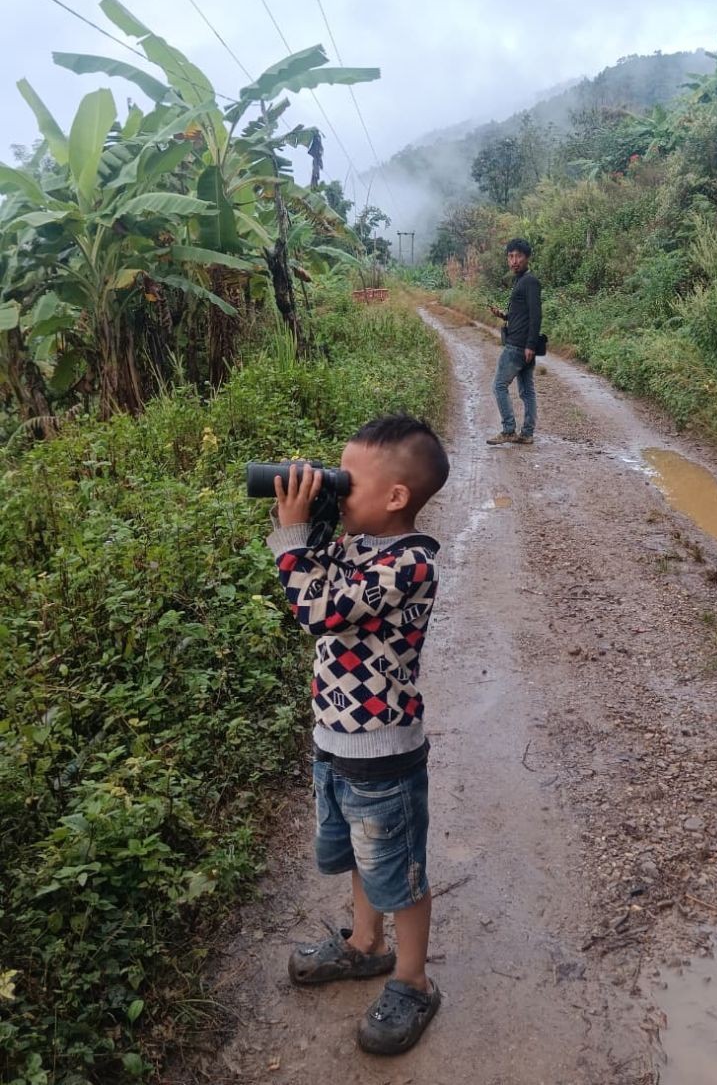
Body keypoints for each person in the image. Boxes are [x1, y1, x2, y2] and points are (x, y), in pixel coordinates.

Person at [265, 414, 450, 1056]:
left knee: (398, 869)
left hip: (385, 753)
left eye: (348, 482)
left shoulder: (411, 563)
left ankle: (413, 980)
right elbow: (314, 577)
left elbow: (319, 610)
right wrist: (312, 516)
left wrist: (290, 539)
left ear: (396, 497)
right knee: (360, 855)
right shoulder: (356, 546)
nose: (338, 491)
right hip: (334, 743)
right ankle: (364, 945)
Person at [487, 238, 543, 446]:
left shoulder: (530, 282)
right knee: (526, 391)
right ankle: (526, 433)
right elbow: (523, 314)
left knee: (499, 386)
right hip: (523, 345)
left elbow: (536, 316)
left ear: (527, 258)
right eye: (510, 256)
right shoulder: (521, 281)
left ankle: (509, 429)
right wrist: (504, 316)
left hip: (518, 346)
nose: (514, 261)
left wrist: (530, 344)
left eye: (518, 256)